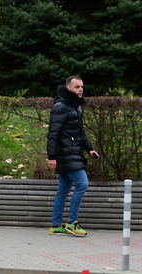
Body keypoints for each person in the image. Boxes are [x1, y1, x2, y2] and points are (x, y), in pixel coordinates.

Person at [46, 76, 98, 236]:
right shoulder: (61, 106)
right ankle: (72, 223)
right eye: (77, 87)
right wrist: (52, 156)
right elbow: (53, 133)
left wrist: (89, 149)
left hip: (74, 153)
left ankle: (56, 225)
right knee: (82, 183)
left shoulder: (76, 106)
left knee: (64, 189)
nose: (81, 89)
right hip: (65, 154)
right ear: (68, 88)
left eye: (82, 86)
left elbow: (80, 131)